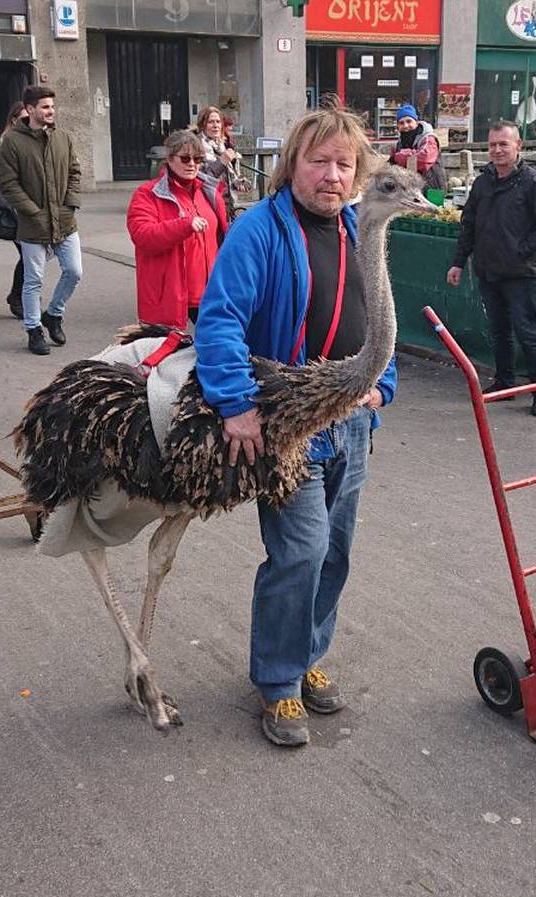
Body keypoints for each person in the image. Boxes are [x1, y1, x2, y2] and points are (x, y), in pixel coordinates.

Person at [193, 106, 397, 747]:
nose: (331, 175)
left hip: (353, 423)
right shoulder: (260, 229)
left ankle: (307, 654)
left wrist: (382, 388)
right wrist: (235, 403)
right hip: (291, 424)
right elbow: (220, 318)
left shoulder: (358, 232)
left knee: (335, 552)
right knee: (301, 550)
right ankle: (278, 683)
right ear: (293, 166)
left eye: (344, 164)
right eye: (319, 161)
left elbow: (380, 316)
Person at [446, 120, 536, 416]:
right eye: (493, 145)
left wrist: (521, 250)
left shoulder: (534, 182)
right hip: (488, 271)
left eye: (504, 144)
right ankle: (504, 382)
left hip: (520, 274)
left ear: (518, 146)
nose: (497, 150)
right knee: (498, 331)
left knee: (528, 332)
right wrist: (459, 262)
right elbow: (468, 224)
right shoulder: (483, 183)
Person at [0, 85, 82, 356]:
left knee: (74, 270)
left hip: (65, 220)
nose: (50, 111)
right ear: (30, 109)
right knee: (33, 279)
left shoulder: (63, 138)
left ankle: (54, 314)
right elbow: (8, 183)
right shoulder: (13, 141)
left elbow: (74, 171)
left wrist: (71, 203)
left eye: (52, 107)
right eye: (45, 107)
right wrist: (31, 210)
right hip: (32, 224)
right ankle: (34, 330)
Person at [126, 130, 228, 329]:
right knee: (165, 354)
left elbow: (221, 238)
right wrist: (184, 224)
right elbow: (143, 236)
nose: (192, 164)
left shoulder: (209, 191)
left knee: (216, 351)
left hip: (209, 291)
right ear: (169, 159)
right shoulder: (147, 194)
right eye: (185, 158)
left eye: (197, 159)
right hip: (170, 293)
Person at [0, 101, 26, 319]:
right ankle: (19, 298)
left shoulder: (30, 144)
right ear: (13, 120)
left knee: (34, 257)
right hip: (15, 212)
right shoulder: (1, 146)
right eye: (24, 118)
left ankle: (21, 297)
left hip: (33, 210)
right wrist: (9, 204)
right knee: (29, 256)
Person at [196, 105, 248, 220]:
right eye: (211, 122)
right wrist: (222, 162)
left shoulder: (222, 145)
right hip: (207, 203)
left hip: (226, 203)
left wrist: (238, 182)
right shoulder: (196, 146)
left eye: (218, 122)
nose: (215, 126)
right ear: (202, 125)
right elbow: (201, 179)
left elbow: (228, 175)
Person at [388, 103, 446, 192]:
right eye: (401, 123)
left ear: (417, 122)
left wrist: (401, 156)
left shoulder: (428, 138)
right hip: (410, 191)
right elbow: (390, 165)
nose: (405, 126)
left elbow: (424, 160)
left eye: (409, 121)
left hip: (432, 190)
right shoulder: (398, 144)